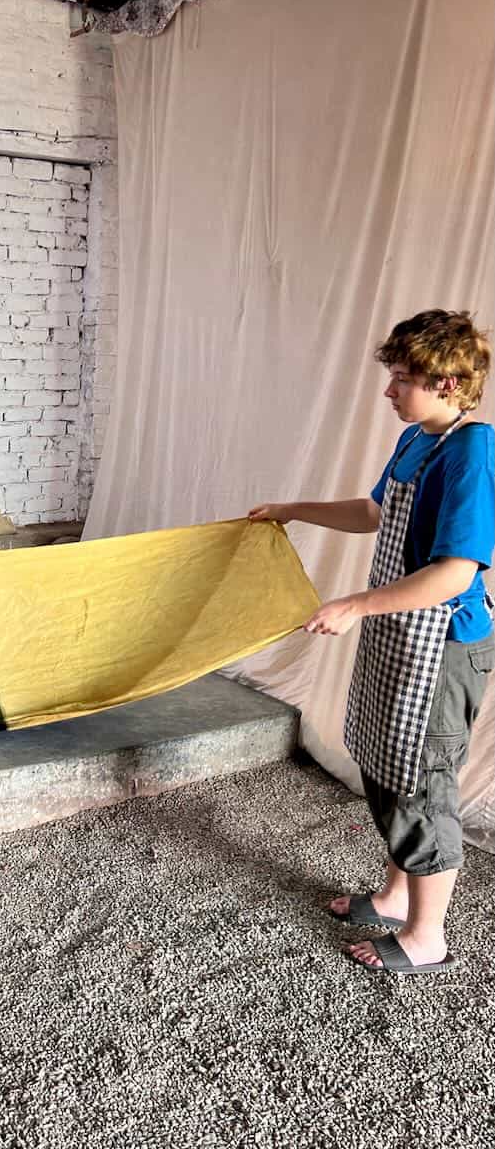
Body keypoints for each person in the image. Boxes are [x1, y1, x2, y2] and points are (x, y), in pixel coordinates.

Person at [250, 309, 494, 975]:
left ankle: (426, 935)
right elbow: (373, 512)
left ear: (447, 383)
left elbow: (454, 573)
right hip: (397, 633)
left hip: (441, 645)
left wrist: (353, 604)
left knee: (421, 784)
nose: (388, 391)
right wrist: (291, 508)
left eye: (402, 378)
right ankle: (392, 897)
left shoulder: (473, 452)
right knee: (387, 766)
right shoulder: (419, 439)